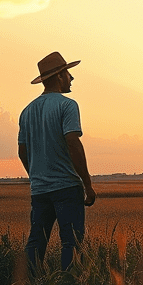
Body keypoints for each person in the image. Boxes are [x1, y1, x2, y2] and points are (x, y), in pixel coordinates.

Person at [18, 51, 97, 272]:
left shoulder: (27, 111)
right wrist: (87, 184)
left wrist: (36, 177)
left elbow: (22, 151)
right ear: (60, 76)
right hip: (66, 187)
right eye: (68, 74)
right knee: (71, 243)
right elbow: (73, 143)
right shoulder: (67, 105)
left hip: (39, 190)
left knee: (36, 242)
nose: (72, 78)